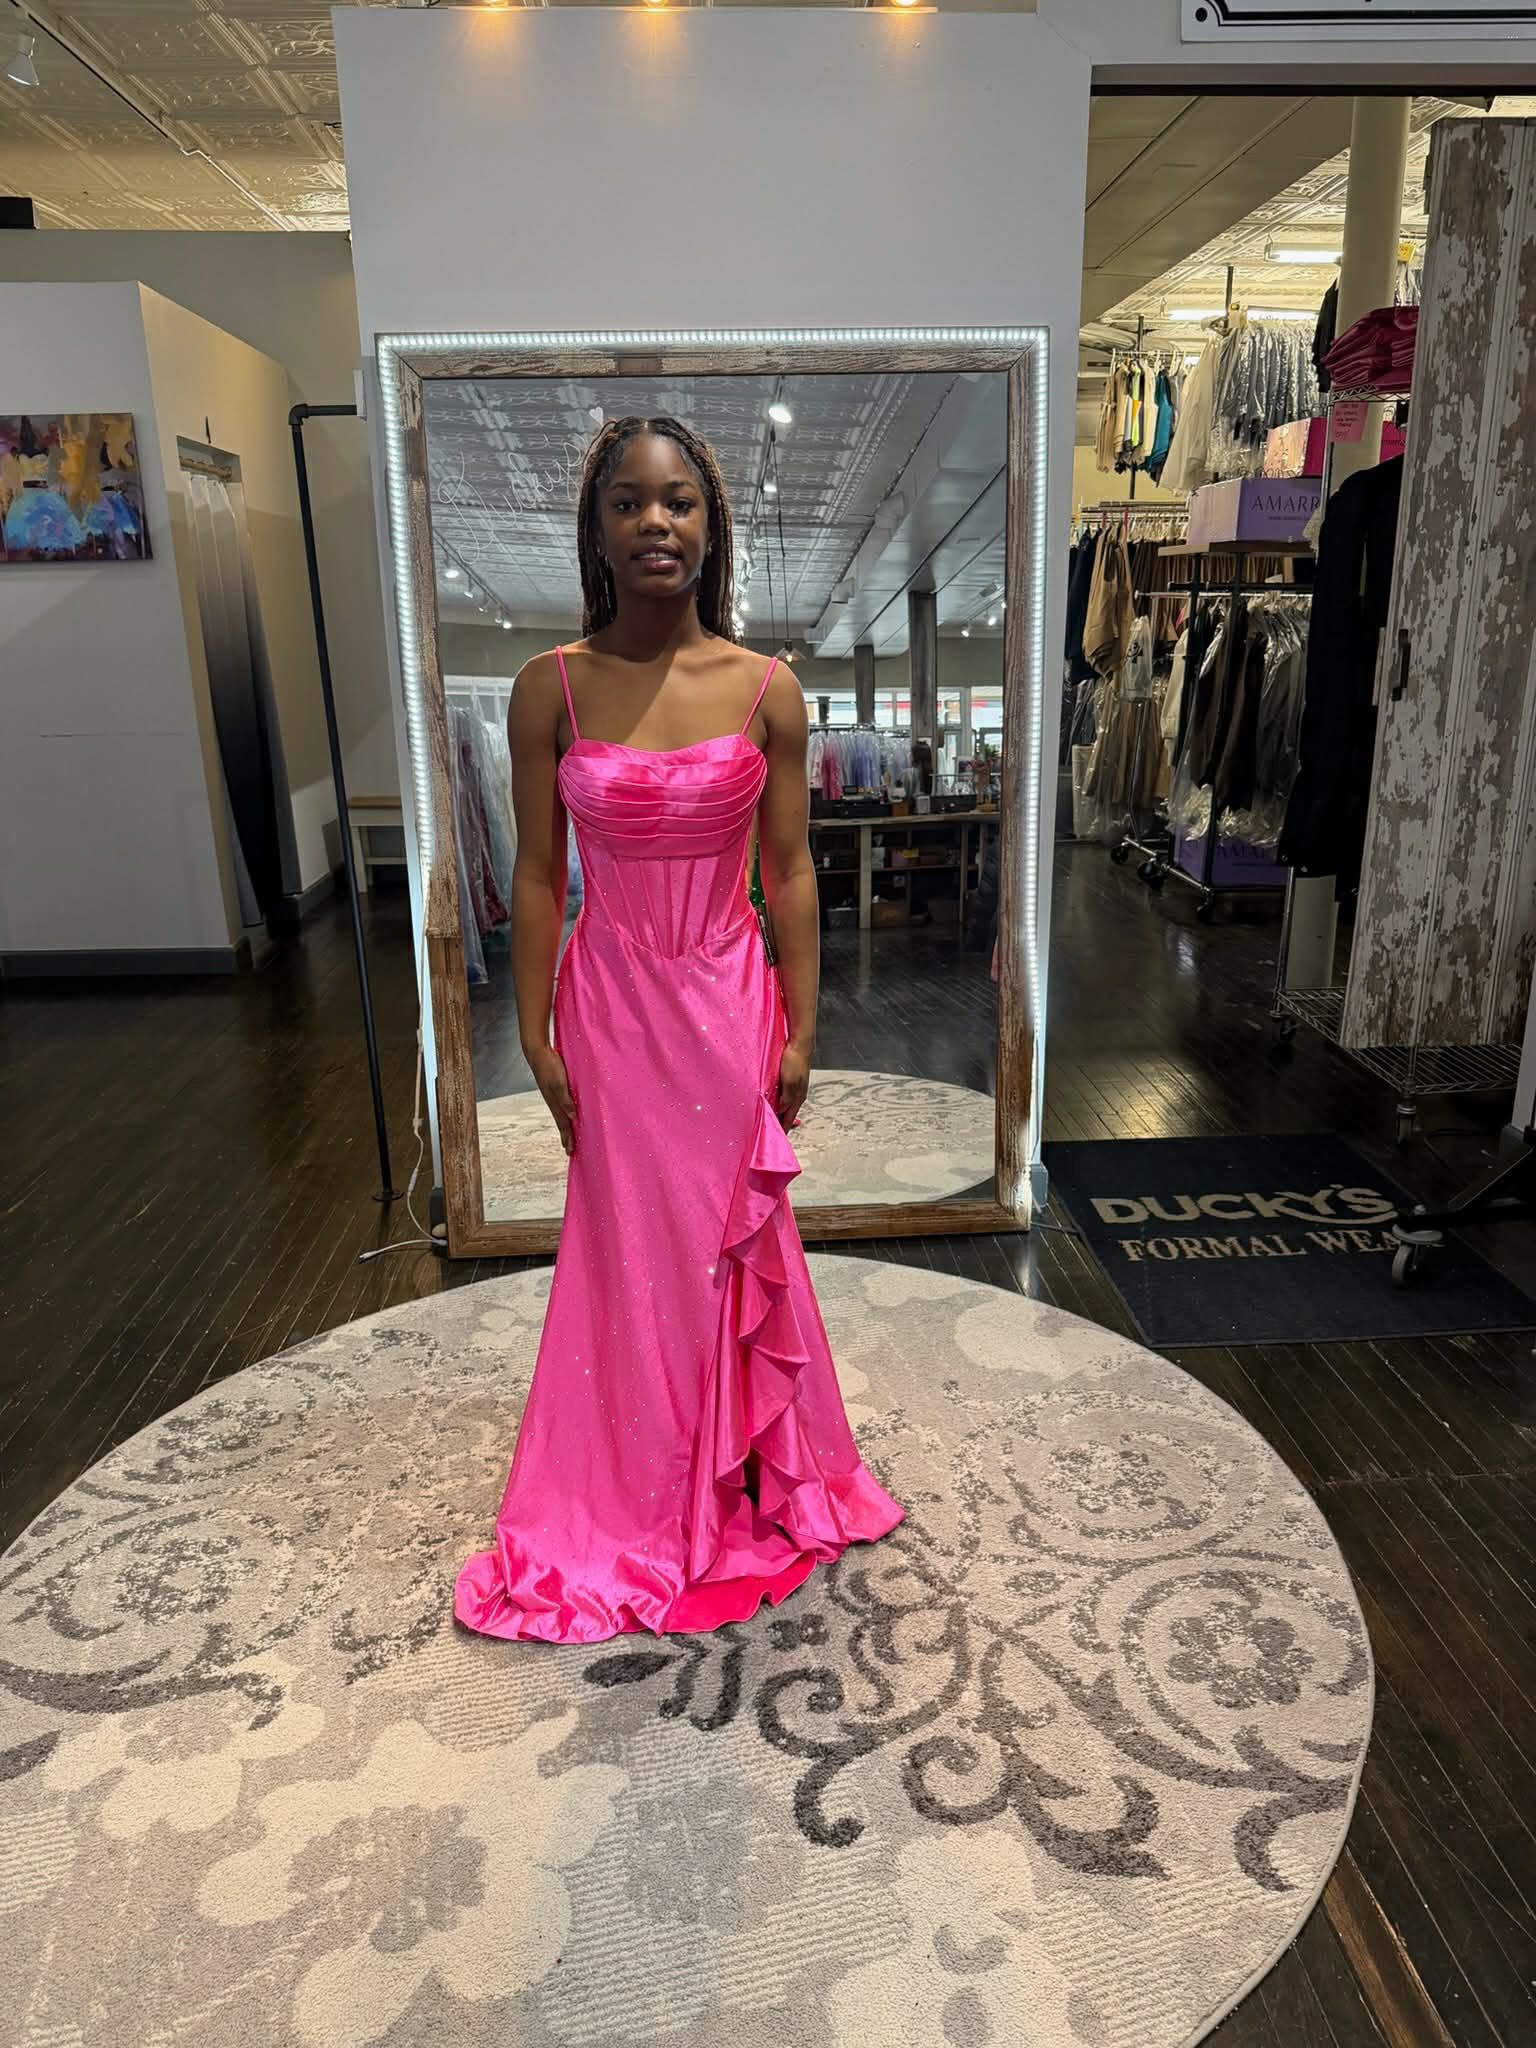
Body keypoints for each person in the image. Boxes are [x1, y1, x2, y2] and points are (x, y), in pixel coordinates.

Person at [453, 416, 905, 1645]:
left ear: (712, 525)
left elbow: (793, 872)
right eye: (629, 503)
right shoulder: (547, 685)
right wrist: (533, 1030)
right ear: (596, 530)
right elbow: (536, 874)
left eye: (680, 502)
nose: (656, 522)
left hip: (725, 1002)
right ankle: (635, 1483)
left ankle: (746, 1468)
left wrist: (802, 1026)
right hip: (609, 1005)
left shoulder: (768, 689)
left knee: (724, 1241)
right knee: (626, 1249)